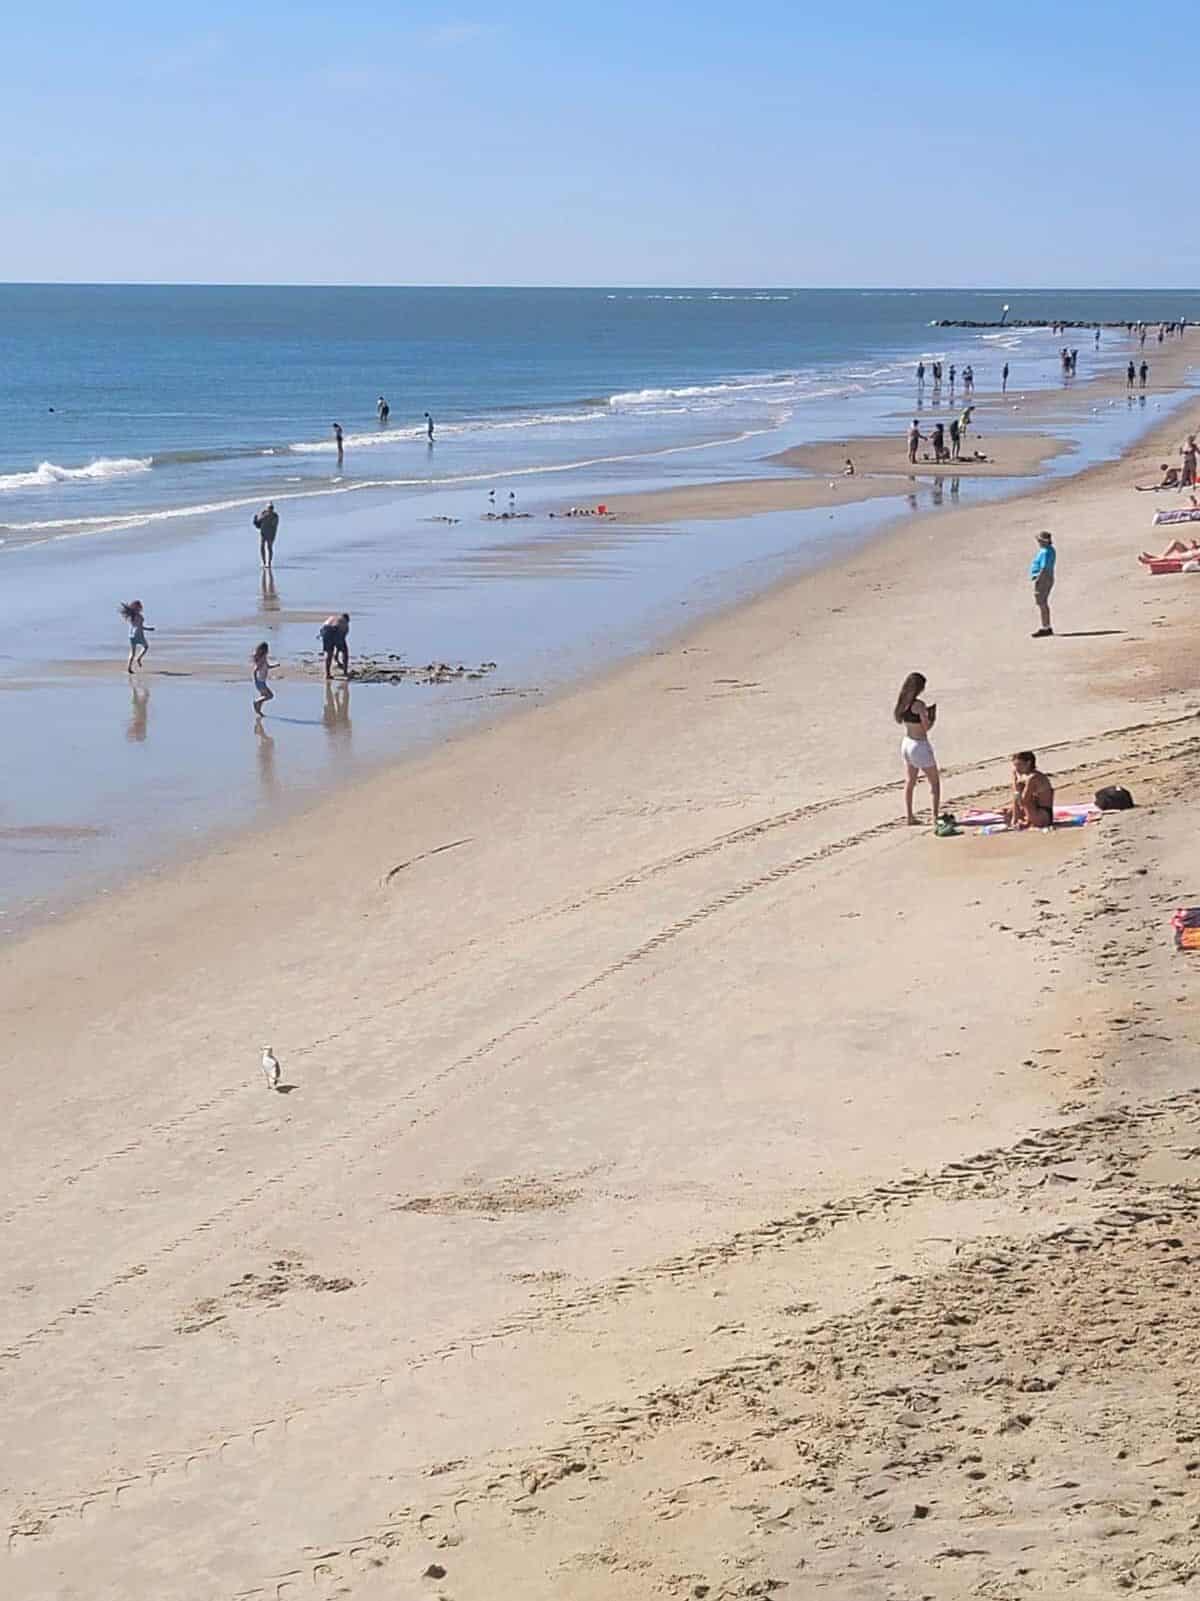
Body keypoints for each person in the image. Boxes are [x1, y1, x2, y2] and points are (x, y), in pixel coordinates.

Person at [893, 671, 941, 827]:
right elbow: (926, 727)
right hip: (919, 744)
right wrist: (932, 718)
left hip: (907, 742)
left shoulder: (903, 704)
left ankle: (909, 816)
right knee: (934, 783)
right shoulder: (918, 705)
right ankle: (935, 817)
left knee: (910, 781)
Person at [1005, 751, 1055, 830]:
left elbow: (1024, 801)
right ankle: (1018, 820)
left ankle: (1020, 821)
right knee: (1007, 813)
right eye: (1015, 765)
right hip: (1032, 809)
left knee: (1019, 795)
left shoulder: (1033, 777)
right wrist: (1015, 781)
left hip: (1043, 815)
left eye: (1019, 765)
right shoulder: (1018, 773)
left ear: (1028, 763)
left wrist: (1018, 789)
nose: (1017, 768)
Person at [1030, 530, 1056, 638]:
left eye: (1040, 540)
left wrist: (1038, 579)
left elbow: (1044, 568)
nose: (1038, 542)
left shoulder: (1046, 552)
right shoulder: (1048, 550)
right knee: (1041, 602)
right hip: (1045, 577)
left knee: (1042, 602)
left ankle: (1046, 627)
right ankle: (1046, 626)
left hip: (1044, 578)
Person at [120, 600, 153, 673]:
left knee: (132, 652)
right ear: (138, 608)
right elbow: (140, 627)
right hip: (138, 635)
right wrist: (149, 629)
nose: (141, 608)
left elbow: (137, 626)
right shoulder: (139, 617)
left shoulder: (131, 617)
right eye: (140, 607)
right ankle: (139, 658)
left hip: (131, 635)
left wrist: (148, 628)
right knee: (146, 647)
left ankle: (129, 667)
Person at [319, 612, 351, 679]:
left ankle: (327, 674)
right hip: (337, 629)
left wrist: (336, 657)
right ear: (347, 619)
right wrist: (337, 656)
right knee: (345, 652)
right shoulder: (345, 623)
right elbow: (341, 641)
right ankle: (345, 672)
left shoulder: (332, 618)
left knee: (329, 653)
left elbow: (322, 629)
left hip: (325, 629)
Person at [252, 641, 278, 717]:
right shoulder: (262, 659)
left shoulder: (263, 658)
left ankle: (259, 712)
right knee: (270, 695)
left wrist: (275, 665)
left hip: (262, 681)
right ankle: (256, 702)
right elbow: (255, 669)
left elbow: (268, 666)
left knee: (263, 697)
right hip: (260, 682)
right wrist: (255, 679)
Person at [253, 501, 279, 567]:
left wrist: (266, 518)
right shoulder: (263, 513)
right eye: (269, 508)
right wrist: (256, 519)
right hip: (263, 532)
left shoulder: (275, 516)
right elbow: (258, 523)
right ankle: (263, 562)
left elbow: (274, 525)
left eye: (271, 508)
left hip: (271, 534)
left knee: (269, 547)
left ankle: (269, 563)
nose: (270, 509)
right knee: (262, 547)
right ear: (267, 508)